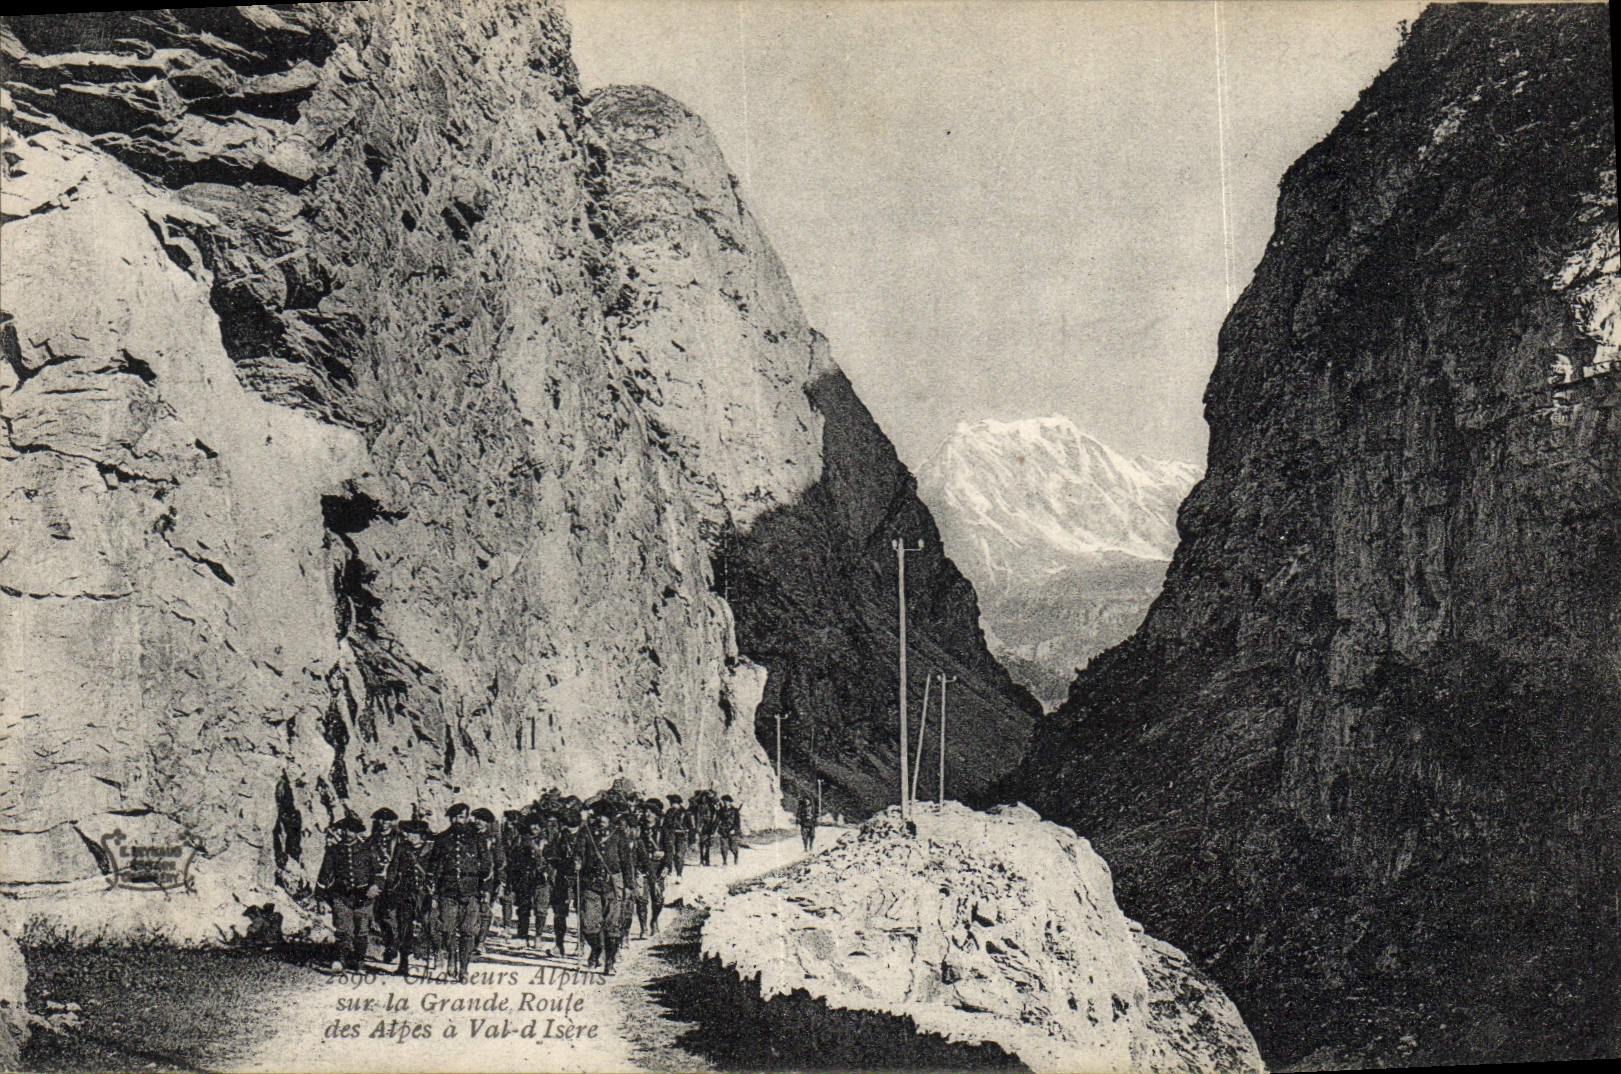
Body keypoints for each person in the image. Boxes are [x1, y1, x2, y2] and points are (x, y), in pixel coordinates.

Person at [431, 803, 492, 982]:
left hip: (471, 890)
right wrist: (432, 891)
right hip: (448, 890)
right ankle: (451, 957)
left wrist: (485, 890)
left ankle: (464, 968)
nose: (460, 821)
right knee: (447, 929)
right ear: (451, 819)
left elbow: (487, 867)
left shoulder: (477, 839)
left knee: (468, 931)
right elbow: (434, 865)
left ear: (467, 818)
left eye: (463, 817)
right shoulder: (442, 839)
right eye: (456, 817)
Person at [316, 815, 380, 972]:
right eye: (344, 829)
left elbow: (378, 873)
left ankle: (359, 962)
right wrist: (319, 896)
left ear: (357, 832)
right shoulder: (334, 851)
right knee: (343, 930)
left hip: (364, 897)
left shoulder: (368, 849)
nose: (347, 833)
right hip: (341, 895)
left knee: (362, 931)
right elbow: (324, 874)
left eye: (351, 830)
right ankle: (340, 960)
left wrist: (375, 886)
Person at [575, 804, 625, 974]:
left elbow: (626, 862)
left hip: (613, 884)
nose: (601, 820)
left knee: (612, 925)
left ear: (611, 819)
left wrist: (630, 886)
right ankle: (596, 950)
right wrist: (578, 861)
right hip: (591, 883)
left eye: (605, 816)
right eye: (598, 816)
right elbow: (579, 851)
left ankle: (609, 961)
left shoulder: (618, 834)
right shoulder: (586, 832)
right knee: (588, 924)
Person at [382, 819, 432, 977]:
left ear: (420, 835)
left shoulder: (431, 849)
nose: (408, 835)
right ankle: (404, 963)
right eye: (408, 832)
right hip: (405, 893)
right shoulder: (402, 848)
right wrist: (390, 887)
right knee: (404, 927)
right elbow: (393, 869)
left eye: (412, 833)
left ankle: (432, 953)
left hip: (425, 893)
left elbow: (438, 869)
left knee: (429, 925)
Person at [368, 807, 400, 962]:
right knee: (378, 915)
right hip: (377, 880)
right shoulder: (371, 840)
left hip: (394, 881)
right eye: (381, 820)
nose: (384, 823)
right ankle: (389, 943)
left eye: (388, 820)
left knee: (391, 914)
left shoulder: (399, 840)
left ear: (393, 822)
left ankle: (392, 946)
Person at [543, 807, 575, 957]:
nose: (566, 827)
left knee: (584, 912)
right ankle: (559, 945)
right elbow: (550, 854)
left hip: (580, 877)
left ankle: (583, 945)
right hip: (562, 878)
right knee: (559, 913)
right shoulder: (558, 838)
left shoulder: (585, 836)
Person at [508, 814, 543, 947]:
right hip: (524, 877)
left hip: (541, 878)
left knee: (541, 909)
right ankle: (522, 934)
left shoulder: (547, 839)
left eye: (538, 825)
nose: (535, 827)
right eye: (532, 824)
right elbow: (513, 859)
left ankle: (538, 936)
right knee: (523, 907)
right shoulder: (521, 839)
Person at [661, 794, 689, 877]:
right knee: (669, 853)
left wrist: (687, 833)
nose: (672, 805)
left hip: (681, 836)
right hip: (670, 835)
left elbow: (690, 826)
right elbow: (665, 824)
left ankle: (679, 874)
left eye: (673, 803)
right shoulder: (669, 811)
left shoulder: (685, 813)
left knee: (679, 855)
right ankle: (669, 871)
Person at [718, 794, 742, 865]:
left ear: (730, 802)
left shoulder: (735, 811)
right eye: (724, 801)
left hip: (733, 831)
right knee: (723, 847)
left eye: (727, 801)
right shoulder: (721, 810)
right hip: (723, 831)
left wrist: (734, 829)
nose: (725, 803)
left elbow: (737, 822)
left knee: (733, 847)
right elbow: (718, 820)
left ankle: (736, 857)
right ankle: (724, 861)